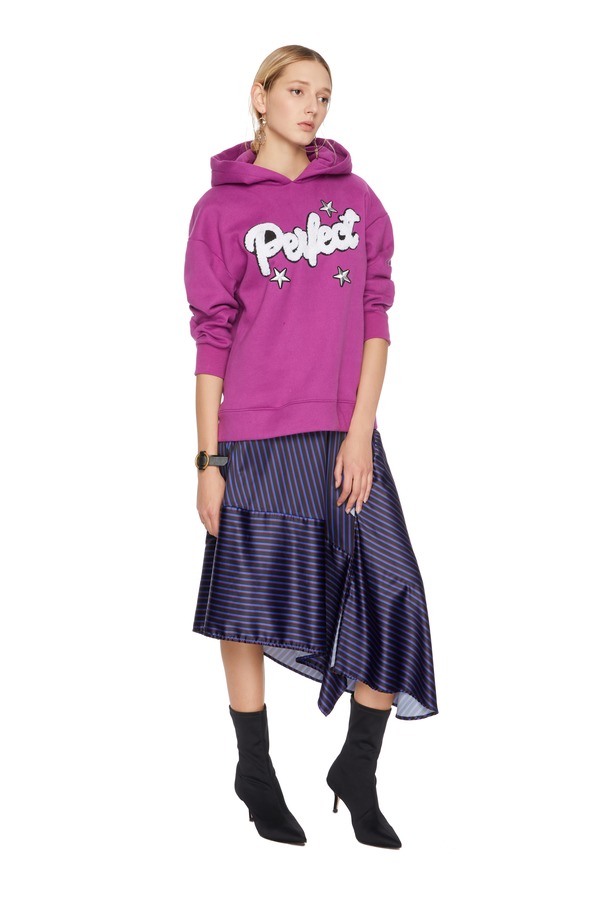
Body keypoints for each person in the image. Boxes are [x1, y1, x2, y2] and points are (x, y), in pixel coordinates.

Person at [184, 44, 439, 849]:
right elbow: (212, 339)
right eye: (297, 91)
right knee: (247, 601)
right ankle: (254, 771)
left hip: (341, 432)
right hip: (254, 435)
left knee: (393, 589)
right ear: (260, 97)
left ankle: (356, 769)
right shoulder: (219, 211)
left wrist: (360, 431)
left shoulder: (355, 200)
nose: (313, 107)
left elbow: (375, 318)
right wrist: (208, 461)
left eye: (323, 95)